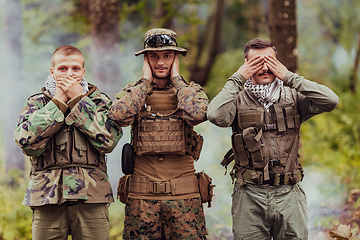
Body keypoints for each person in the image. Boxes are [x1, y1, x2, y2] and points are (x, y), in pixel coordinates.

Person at [207, 38, 339, 240]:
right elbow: (215, 115)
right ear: (246, 66)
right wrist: (237, 78)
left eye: (269, 61)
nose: (264, 67)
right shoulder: (237, 100)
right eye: (257, 62)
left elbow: (331, 100)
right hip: (249, 196)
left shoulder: (294, 97)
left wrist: (289, 76)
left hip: (289, 194)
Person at [108, 28, 210, 240]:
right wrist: (144, 82)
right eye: (153, 56)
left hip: (185, 198)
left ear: (176, 57)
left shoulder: (189, 91)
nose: (160, 62)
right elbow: (117, 116)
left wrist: (177, 79)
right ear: (145, 59)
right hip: (142, 198)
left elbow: (199, 114)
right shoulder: (134, 93)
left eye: (167, 55)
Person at [14, 45, 122, 240]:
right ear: (52, 71)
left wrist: (78, 101)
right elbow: (25, 142)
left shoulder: (99, 101)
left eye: (75, 68)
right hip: (47, 198)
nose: (69, 74)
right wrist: (57, 103)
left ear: (83, 71)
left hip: (92, 199)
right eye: (63, 68)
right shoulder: (37, 103)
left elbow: (110, 139)